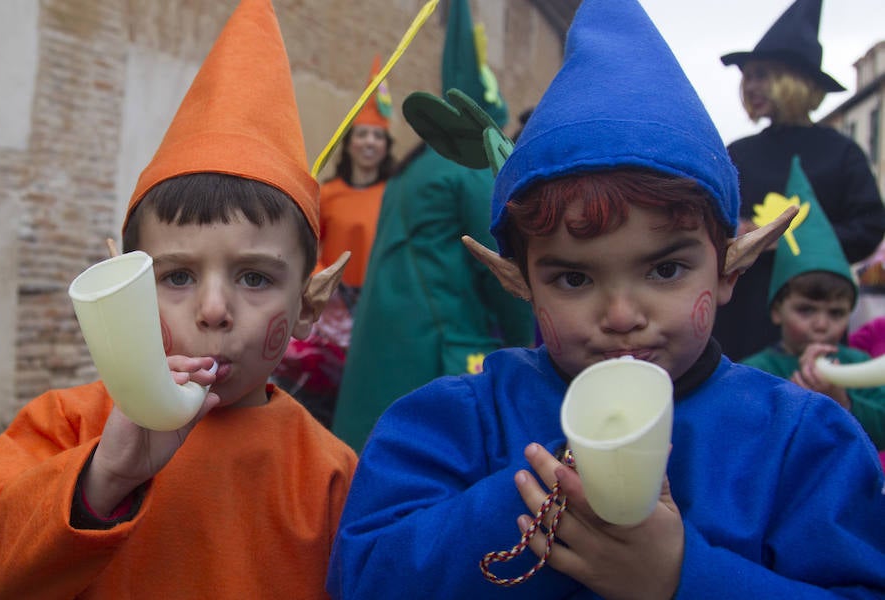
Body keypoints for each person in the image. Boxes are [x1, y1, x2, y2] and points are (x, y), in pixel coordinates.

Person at [326, 0, 885, 597]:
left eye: (666, 269)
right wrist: (540, 485)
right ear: (520, 282)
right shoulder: (455, 422)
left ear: (728, 269)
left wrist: (680, 577)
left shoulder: (802, 443)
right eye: (573, 279)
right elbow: (364, 576)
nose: (621, 316)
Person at [0, 0, 357, 596]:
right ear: (123, 287)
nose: (213, 310)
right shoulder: (61, 428)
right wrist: (103, 477)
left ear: (309, 304)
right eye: (176, 277)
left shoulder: (333, 476)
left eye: (255, 277)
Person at [331, 0, 533, 453]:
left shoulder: (412, 168)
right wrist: (529, 341)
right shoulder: (470, 169)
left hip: (380, 363)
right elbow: (504, 268)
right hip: (433, 359)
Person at [713, 0, 885, 361]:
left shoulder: (841, 152)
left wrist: (791, 240)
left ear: (794, 81)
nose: (751, 85)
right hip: (742, 316)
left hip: (815, 315)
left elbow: (870, 225)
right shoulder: (739, 152)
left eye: (762, 74)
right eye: (750, 76)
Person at [273, 55, 396, 429]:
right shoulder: (328, 193)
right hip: (332, 303)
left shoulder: (395, 194)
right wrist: (322, 282)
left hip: (378, 300)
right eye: (363, 134)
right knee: (324, 387)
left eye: (377, 136)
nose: (369, 142)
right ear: (350, 142)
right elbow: (307, 245)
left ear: (386, 145)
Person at [742, 156, 885, 450]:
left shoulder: (859, 365)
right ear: (777, 309)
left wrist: (842, 399)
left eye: (836, 313)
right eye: (806, 309)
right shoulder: (754, 372)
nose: (821, 324)